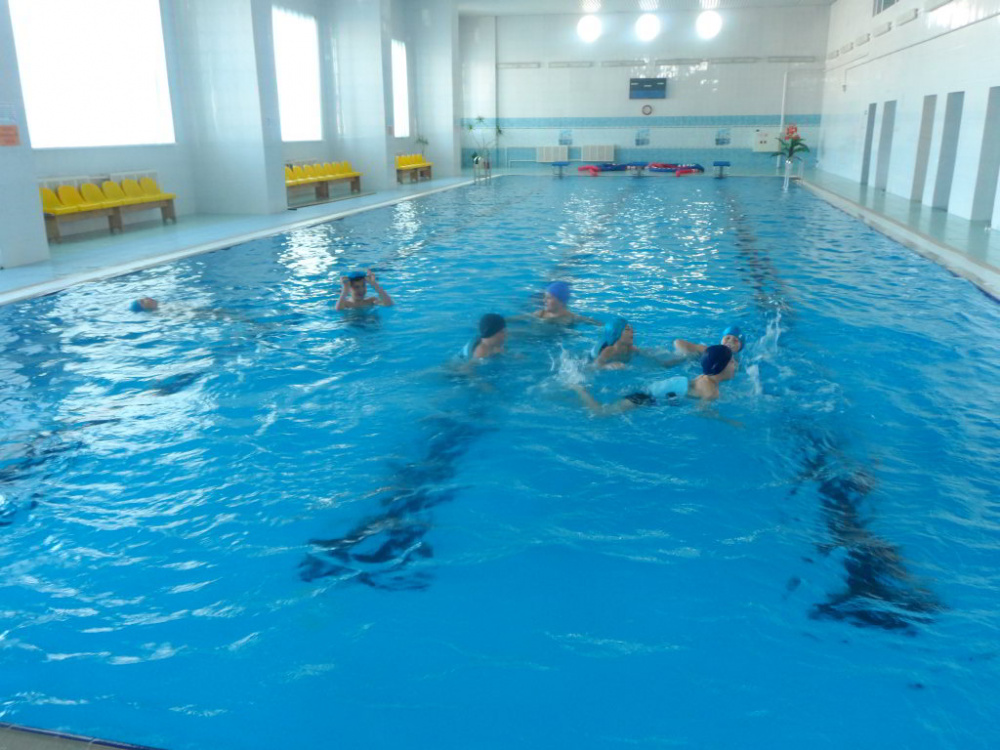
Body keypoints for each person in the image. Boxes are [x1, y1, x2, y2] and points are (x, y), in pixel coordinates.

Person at [571, 344, 737, 415]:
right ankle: (579, 389)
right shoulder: (711, 392)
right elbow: (701, 412)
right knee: (601, 413)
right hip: (647, 398)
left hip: (649, 391)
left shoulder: (703, 378)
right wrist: (727, 421)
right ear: (720, 366)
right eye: (731, 362)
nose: (735, 365)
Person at [534, 281, 599, 325]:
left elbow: (599, 325)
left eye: (549, 298)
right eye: (545, 297)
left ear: (561, 301)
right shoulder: (539, 314)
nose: (544, 301)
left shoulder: (573, 318)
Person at [674, 325, 745, 357]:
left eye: (735, 340)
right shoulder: (710, 350)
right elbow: (678, 342)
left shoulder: (737, 363)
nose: (730, 341)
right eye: (727, 338)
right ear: (721, 340)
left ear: (740, 347)